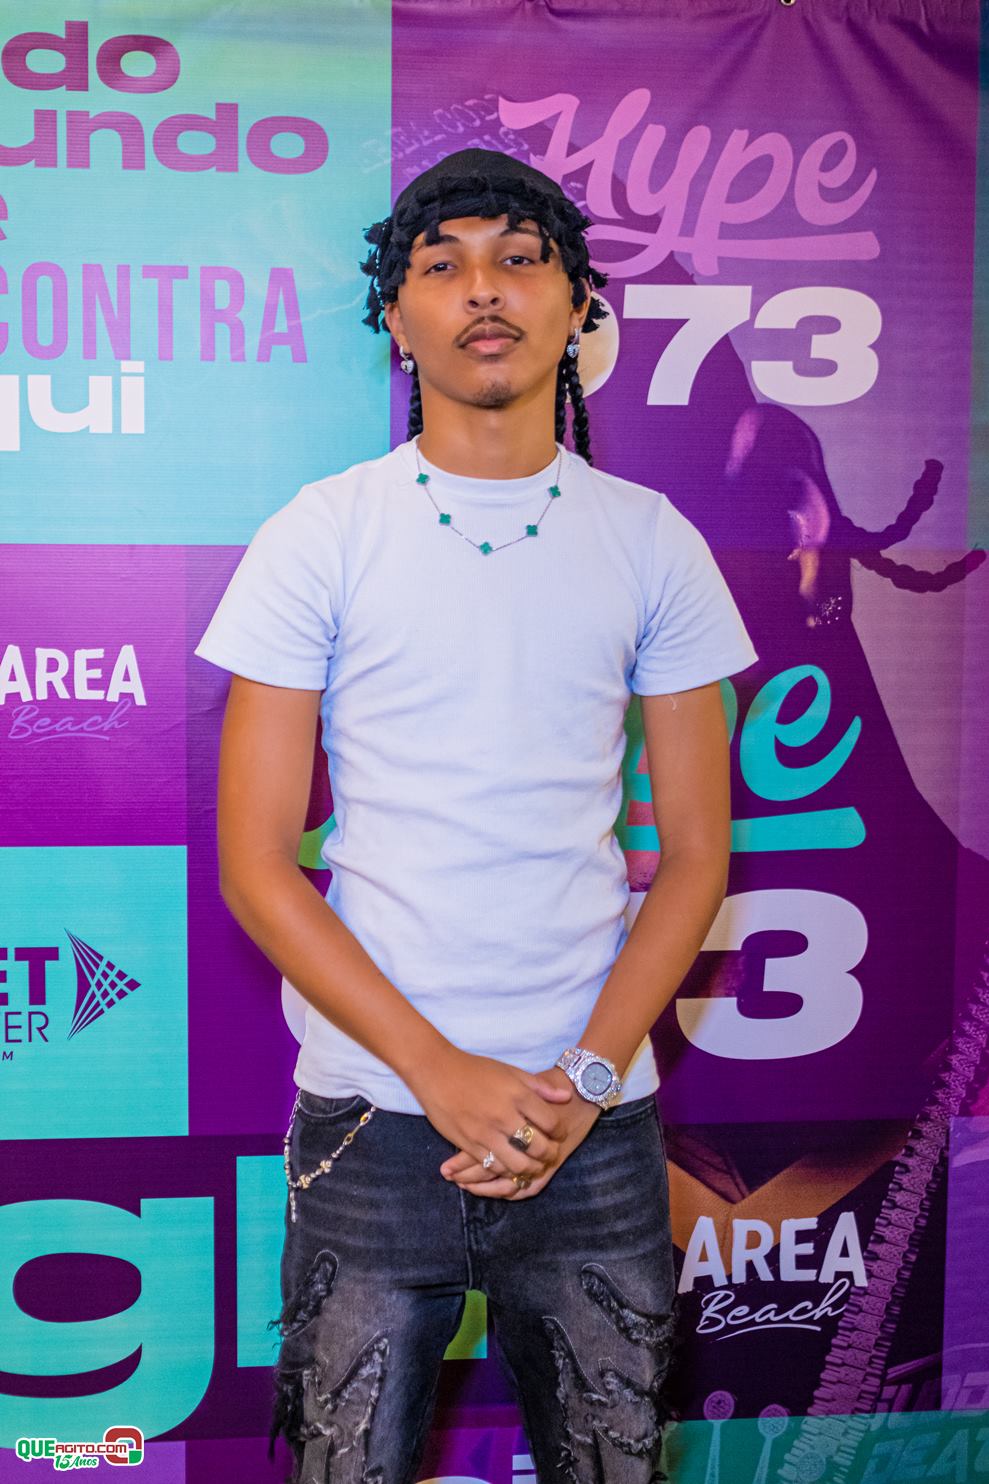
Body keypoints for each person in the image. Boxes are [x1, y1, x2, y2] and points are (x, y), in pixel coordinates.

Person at [194, 148, 758, 1484]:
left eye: (518, 257)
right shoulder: (320, 534)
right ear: (395, 318)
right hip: (371, 1117)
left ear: (577, 304)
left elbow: (694, 858)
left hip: (594, 1127)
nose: (482, 290)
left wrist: (585, 1082)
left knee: (613, 1465)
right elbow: (255, 863)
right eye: (440, 266)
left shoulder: (652, 541)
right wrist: (439, 1074)